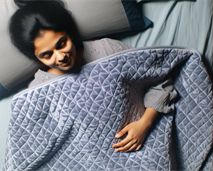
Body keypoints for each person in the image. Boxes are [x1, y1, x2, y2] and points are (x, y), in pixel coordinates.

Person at [9, 0, 177, 153]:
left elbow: (160, 80)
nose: (60, 57)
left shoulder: (108, 49)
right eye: (47, 55)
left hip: (145, 142)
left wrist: (144, 124)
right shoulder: (38, 90)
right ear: (36, 57)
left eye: (61, 44)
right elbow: (40, 141)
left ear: (70, 34)